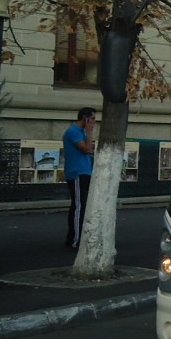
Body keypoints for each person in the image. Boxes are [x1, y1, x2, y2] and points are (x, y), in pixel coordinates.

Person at [63, 106, 96, 249]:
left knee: (81, 205)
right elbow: (87, 149)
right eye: (93, 119)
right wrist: (89, 132)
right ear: (85, 118)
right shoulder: (73, 131)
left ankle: (74, 237)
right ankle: (75, 240)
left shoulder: (80, 132)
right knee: (78, 206)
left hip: (84, 171)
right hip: (77, 172)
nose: (94, 122)